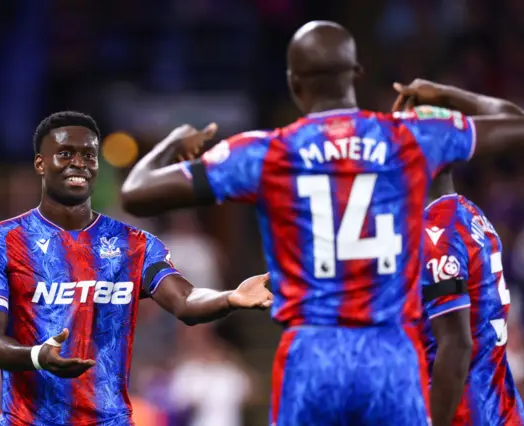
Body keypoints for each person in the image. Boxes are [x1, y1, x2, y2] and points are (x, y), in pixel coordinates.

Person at [120, 21, 524, 426]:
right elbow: (516, 125)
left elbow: (137, 192)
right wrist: (449, 96)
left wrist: (172, 143)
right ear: (356, 75)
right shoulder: (407, 138)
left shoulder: (270, 150)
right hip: (391, 350)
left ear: (294, 84)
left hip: (312, 350)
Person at [0, 111, 273, 426]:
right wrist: (37, 356)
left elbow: (185, 300)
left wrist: (231, 297)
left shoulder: (135, 244)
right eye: (66, 154)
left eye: (88, 155)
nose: (79, 163)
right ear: (40, 163)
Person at [394, 82, 524, 425]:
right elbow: (514, 121)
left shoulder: (435, 236)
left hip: (464, 414)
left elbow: (456, 347)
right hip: (501, 406)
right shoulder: (467, 212)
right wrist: (446, 96)